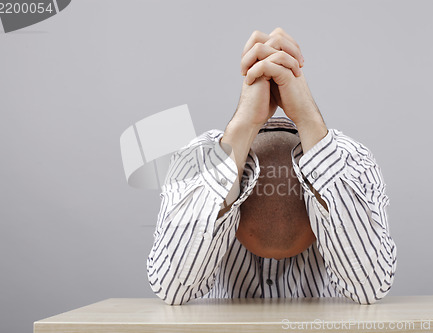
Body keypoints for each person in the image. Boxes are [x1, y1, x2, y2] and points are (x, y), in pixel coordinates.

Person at [147, 28, 397, 305]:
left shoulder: (351, 161)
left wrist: (308, 120)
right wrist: (243, 125)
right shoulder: (195, 162)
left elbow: (370, 287)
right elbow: (172, 288)